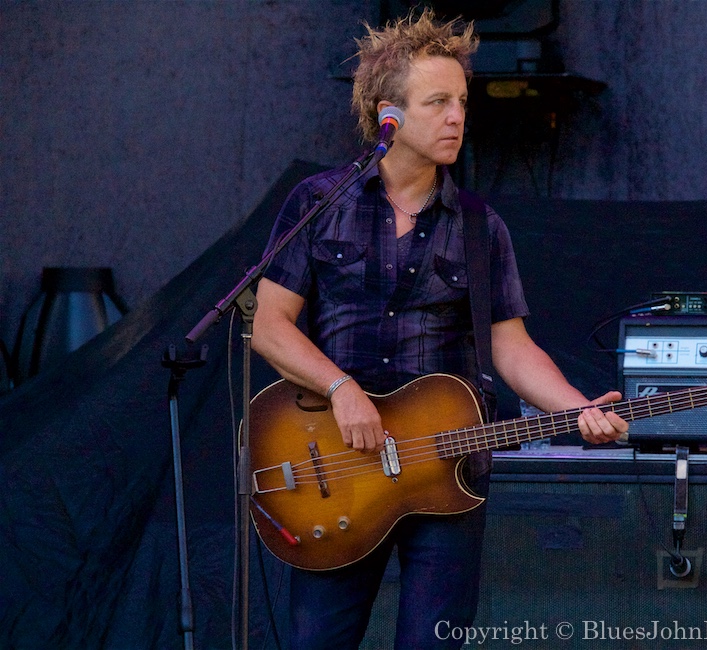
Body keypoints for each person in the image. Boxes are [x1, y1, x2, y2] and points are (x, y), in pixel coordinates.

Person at [251, 9, 628, 648]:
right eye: (437, 102)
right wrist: (343, 389)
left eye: (461, 101)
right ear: (387, 115)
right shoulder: (319, 203)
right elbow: (269, 326)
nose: (457, 116)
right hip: (334, 464)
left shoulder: (481, 227)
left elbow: (510, 347)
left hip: (447, 468)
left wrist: (577, 409)